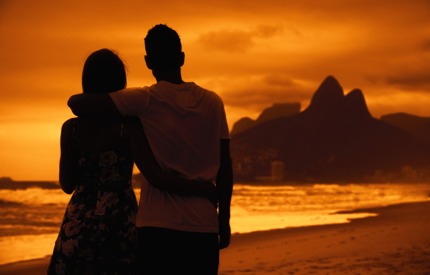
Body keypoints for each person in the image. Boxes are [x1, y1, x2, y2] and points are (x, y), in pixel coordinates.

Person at [68, 24, 233, 274]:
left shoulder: (143, 100)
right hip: (203, 224)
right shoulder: (213, 102)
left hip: (157, 226)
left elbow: (76, 103)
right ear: (182, 58)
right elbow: (225, 167)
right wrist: (224, 219)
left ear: (147, 62)